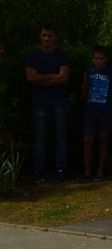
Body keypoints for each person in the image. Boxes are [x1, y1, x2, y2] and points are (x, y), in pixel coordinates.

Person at [25, 25, 71, 183]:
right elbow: (30, 77)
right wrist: (53, 77)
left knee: (61, 137)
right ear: (40, 36)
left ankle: (60, 171)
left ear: (55, 37)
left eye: (50, 35)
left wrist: (41, 79)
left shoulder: (62, 56)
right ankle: (39, 172)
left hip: (59, 100)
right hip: (40, 101)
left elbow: (63, 77)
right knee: (40, 138)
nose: (47, 38)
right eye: (44, 35)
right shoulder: (33, 56)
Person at [80, 45, 112, 180]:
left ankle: (100, 171)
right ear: (92, 59)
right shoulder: (89, 73)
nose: (98, 61)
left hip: (105, 112)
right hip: (91, 111)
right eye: (96, 58)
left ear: (106, 59)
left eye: (101, 58)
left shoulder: (110, 73)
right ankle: (87, 172)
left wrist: (108, 102)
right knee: (88, 140)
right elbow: (83, 92)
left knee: (103, 140)